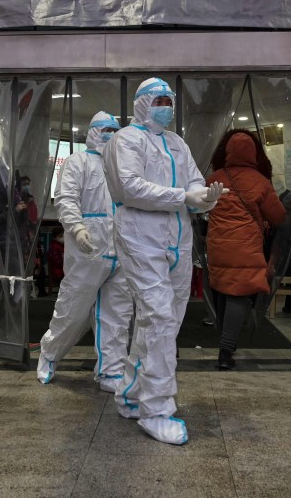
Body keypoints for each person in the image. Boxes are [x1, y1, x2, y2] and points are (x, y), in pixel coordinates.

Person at [103, 78, 224, 445]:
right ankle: (156, 409)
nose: (166, 106)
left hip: (178, 239)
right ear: (141, 103)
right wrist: (183, 196)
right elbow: (130, 188)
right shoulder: (125, 140)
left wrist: (206, 198)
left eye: (169, 100)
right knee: (157, 317)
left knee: (165, 322)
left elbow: (194, 183)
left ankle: (129, 392)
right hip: (141, 236)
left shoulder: (177, 142)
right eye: (159, 100)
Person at [36, 112, 134, 393]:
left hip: (122, 250)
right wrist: (77, 229)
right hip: (88, 249)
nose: (110, 134)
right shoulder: (77, 162)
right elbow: (66, 198)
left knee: (116, 315)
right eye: (105, 129)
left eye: (115, 130)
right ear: (91, 131)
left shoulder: (124, 167)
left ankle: (111, 371)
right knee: (73, 309)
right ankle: (50, 353)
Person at [206, 130, 286, 370]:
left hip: (218, 246)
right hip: (245, 248)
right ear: (254, 153)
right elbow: (279, 217)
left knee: (221, 290)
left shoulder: (214, 178)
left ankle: (224, 342)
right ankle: (225, 351)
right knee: (238, 296)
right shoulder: (259, 181)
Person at [46, 226, 65, 293]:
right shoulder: (54, 247)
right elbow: (57, 262)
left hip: (61, 269)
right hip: (58, 271)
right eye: (61, 236)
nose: (63, 238)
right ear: (56, 236)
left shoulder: (60, 246)